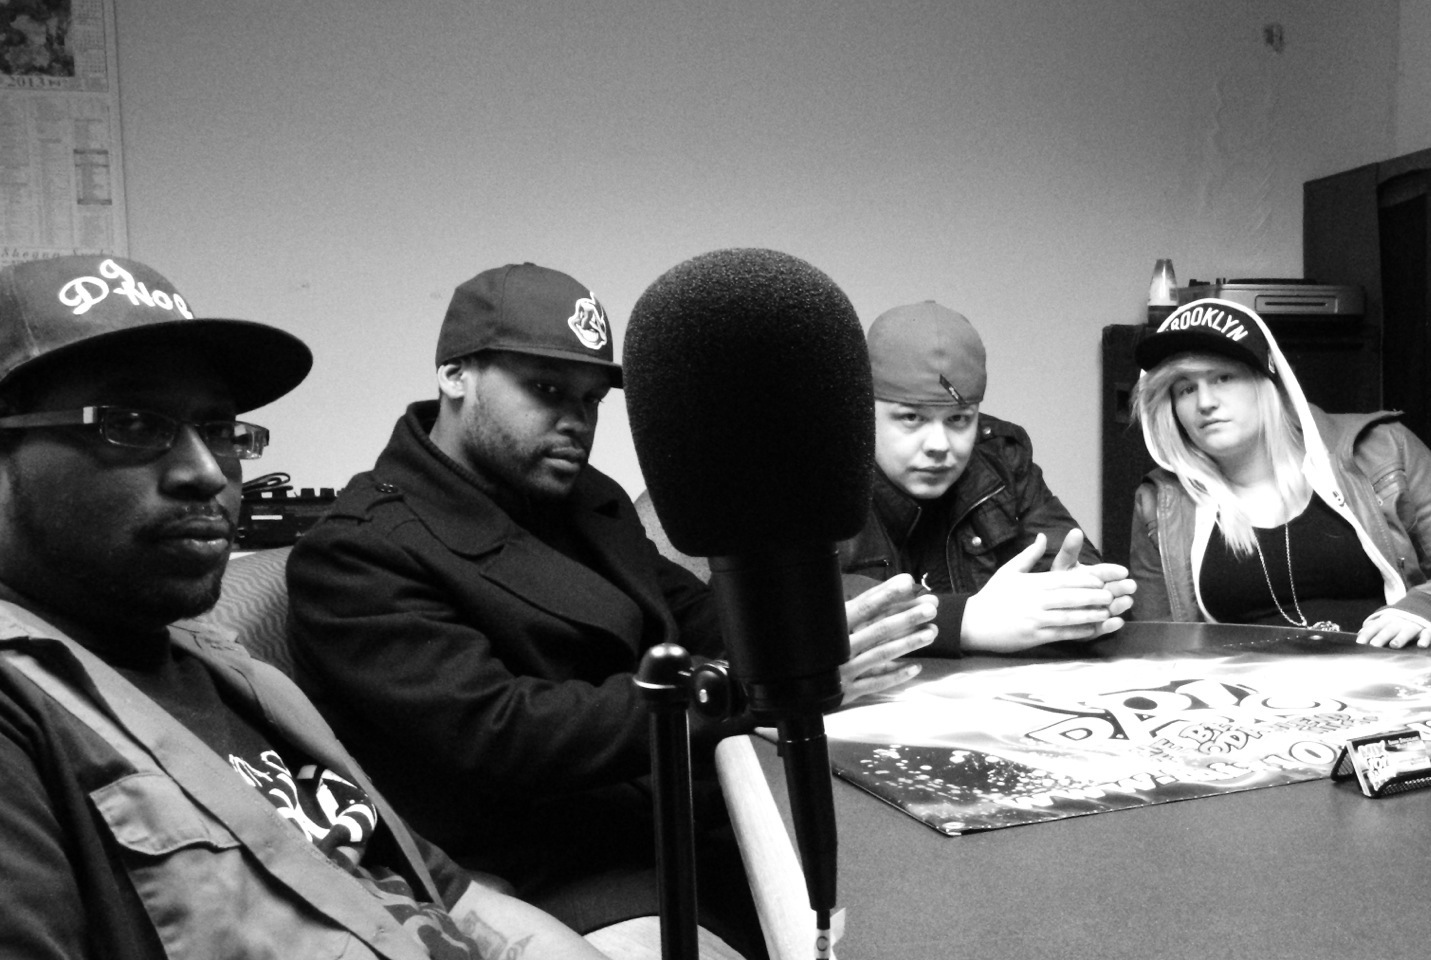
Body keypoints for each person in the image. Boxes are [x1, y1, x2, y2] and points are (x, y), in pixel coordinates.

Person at [285, 262, 938, 951]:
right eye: (546, 390)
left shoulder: (581, 498)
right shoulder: (357, 552)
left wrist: (827, 638)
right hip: (549, 870)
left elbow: (697, 613)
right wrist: (748, 686)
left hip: (679, 816)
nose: (576, 421)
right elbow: (507, 735)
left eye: (591, 399)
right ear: (454, 375)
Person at [0, 255, 609, 960]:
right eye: (132, 423)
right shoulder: (22, 712)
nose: (207, 472)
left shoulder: (238, 676)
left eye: (220, 429)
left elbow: (458, 900)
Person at [1128, 297, 1431, 647]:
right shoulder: (1161, 504)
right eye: (1186, 389)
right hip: (1242, 680)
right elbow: (1157, 645)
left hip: (1390, 675)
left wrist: (1421, 607)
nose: (1205, 402)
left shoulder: (1382, 449)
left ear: (1267, 382)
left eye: (1223, 377)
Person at [838, 300, 1136, 654]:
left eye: (958, 419)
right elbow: (807, 600)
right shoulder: (820, 474)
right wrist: (964, 620)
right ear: (864, 411)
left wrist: (1078, 601)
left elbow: (1085, 573)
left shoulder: (1000, 461)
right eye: (911, 418)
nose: (939, 445)